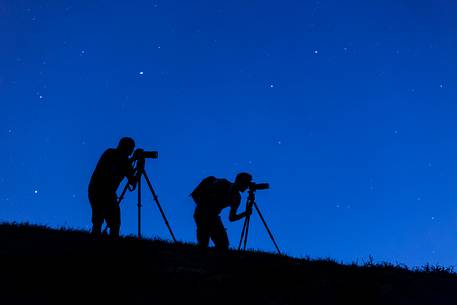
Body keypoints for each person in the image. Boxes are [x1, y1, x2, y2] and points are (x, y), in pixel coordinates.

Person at [88, 137, 137, 237]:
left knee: (100, 220)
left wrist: (132, 162)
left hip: (96, 190)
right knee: (112, 222)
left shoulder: (110, 153)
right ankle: (112, 245)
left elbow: (131, 179)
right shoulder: (116, 157)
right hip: (103, 192)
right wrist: (134, 164)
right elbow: (132, 180)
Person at [190, 172, 253, 250]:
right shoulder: (223, 183)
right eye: (247, 183)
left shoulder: (237, 198)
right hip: (202, 213)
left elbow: (232, 217)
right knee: (203, 243)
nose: (247, 187)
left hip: (213, 217)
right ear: (241, 182)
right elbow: (201, 194)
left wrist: (245, 213)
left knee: (223, 244)